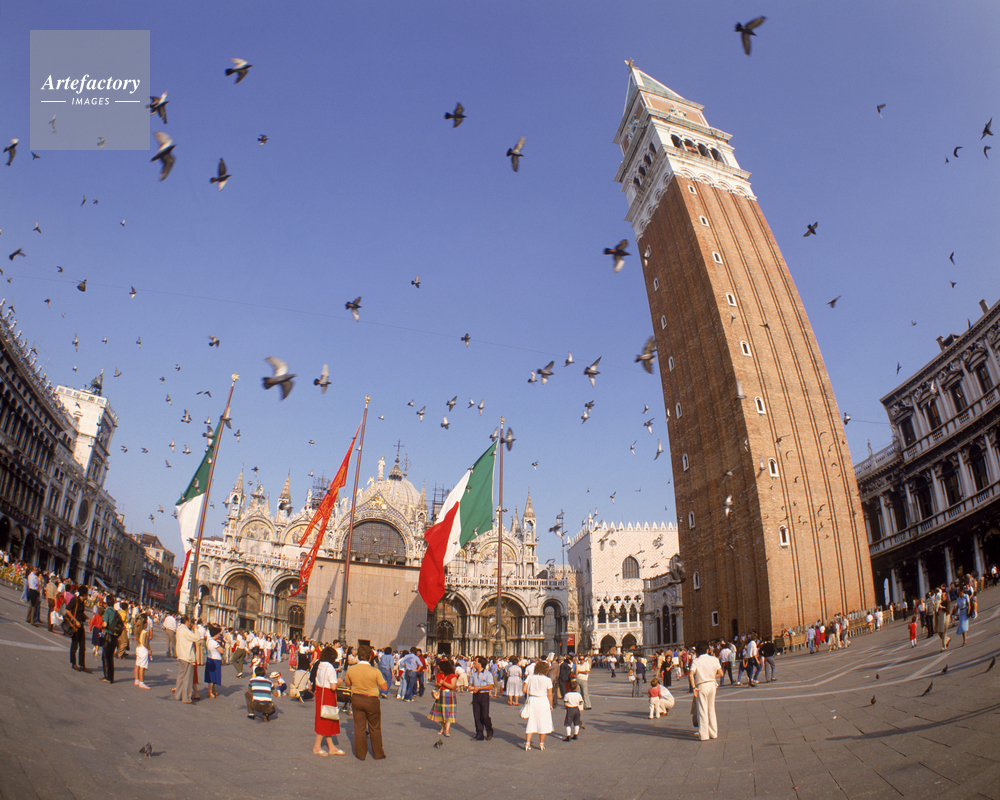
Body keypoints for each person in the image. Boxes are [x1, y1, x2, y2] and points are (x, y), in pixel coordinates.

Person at [342, 644, 388, 760]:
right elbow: (384, 687)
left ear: (358, 656)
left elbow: (347, 683)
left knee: (359, 728)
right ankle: (378, 753)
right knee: (375, 727)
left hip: (357, 699)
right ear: (370, 657)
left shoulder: (352, 669)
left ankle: (360, 754)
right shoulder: (375, 671)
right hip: (371, 700)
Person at [312, 646, 345, 755]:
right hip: (328, 695)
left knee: (326, 718)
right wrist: (339, 681)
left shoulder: (320, 665)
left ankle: (331, 746)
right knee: (326, 719)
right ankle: (317, 746)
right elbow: (333, 687)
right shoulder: (330, 667)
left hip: (320, 693)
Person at [689, 641, 723, 741]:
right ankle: (713, 732)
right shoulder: (714, 659)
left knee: (702, 710)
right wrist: (711, 676)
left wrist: (694, 687)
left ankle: (704, 735)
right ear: (708, 650)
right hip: (712, 684)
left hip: (701, 686)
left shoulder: (696, 661)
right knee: (711, 709)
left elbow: (691, 675)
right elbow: (721, 673)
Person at [523, 661, 554, 751]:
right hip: (543, 700)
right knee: (543, 722)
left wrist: (532, 692)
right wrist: (551, 705)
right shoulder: (547, 680)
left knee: (531, 721)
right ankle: (541, 744)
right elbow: (550, 694)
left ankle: (527, 743)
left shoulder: (530, 677)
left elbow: (524, 689)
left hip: (532, 700)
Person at [428, 659, 459, 737]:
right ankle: (443, 727)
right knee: (441, 712)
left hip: (449, 694)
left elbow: (452, 686)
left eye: (440, 667)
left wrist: (443, 683)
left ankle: (447, 730)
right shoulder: (438, 675)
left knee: (449, 713)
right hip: (441, 694)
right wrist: (438, 684)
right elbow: (435, 684)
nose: (439, 668)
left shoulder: (453, 676)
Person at [64, 586, 91, 673]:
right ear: (84, 594)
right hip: (75, 626)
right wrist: (75, 620)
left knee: (82, 646)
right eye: (87, 594)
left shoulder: (82, 602)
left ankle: (82, 665)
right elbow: (67, 610)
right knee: (74, 645)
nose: (88, 596)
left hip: (81, 625)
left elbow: (81, 612)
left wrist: (88, 618)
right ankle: (73, 663)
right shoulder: (75, 600)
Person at [173, 616, 199, 703]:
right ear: (187, 621)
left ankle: (178, 695)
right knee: (187, 678)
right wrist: (195, 629)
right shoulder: (185, 630)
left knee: (180, 676)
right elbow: (197, 638)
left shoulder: (179, 629)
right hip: (187, 656)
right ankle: (186, 697)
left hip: (181, 655)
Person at [469, 656, 495, 741]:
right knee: (476, 715)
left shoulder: (488, 674)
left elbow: (490, 686)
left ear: (480, 663)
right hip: (476, 695)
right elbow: (471, 684)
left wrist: (479, 688)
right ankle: (479, 734)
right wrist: (470, 687)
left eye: (475, 661)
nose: (474, 662)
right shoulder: (473, 674)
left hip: (484, 695)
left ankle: (489, 730)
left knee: (484, 715)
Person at [102, 600, 124, 683]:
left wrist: (101, 625)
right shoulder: (116, 612)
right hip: (115, 637)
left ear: (106, 603)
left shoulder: (108, 611)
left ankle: (107, 677)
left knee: (105, 657)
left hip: (109, 636)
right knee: (110, 657)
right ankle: (111, 677)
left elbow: (105, 624)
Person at [204, 626, 223, 698]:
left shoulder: (209, 640)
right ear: (215, 634)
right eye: (218, 634)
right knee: (213, 675)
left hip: (210, 658)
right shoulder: (214, 643)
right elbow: (221, 651)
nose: (219, 636)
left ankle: (213, 690)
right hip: (215, 659)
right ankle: (210, 691)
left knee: (212, 675)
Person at [134, 614, 151, 689]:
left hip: (138, 648)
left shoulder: (138, 631)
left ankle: (136, 679)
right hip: (143, 649)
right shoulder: (144, 632)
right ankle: (141, 682)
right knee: (142, 666)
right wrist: (149, 648)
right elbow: (144, 642)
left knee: (137, 664)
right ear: (144, 624)